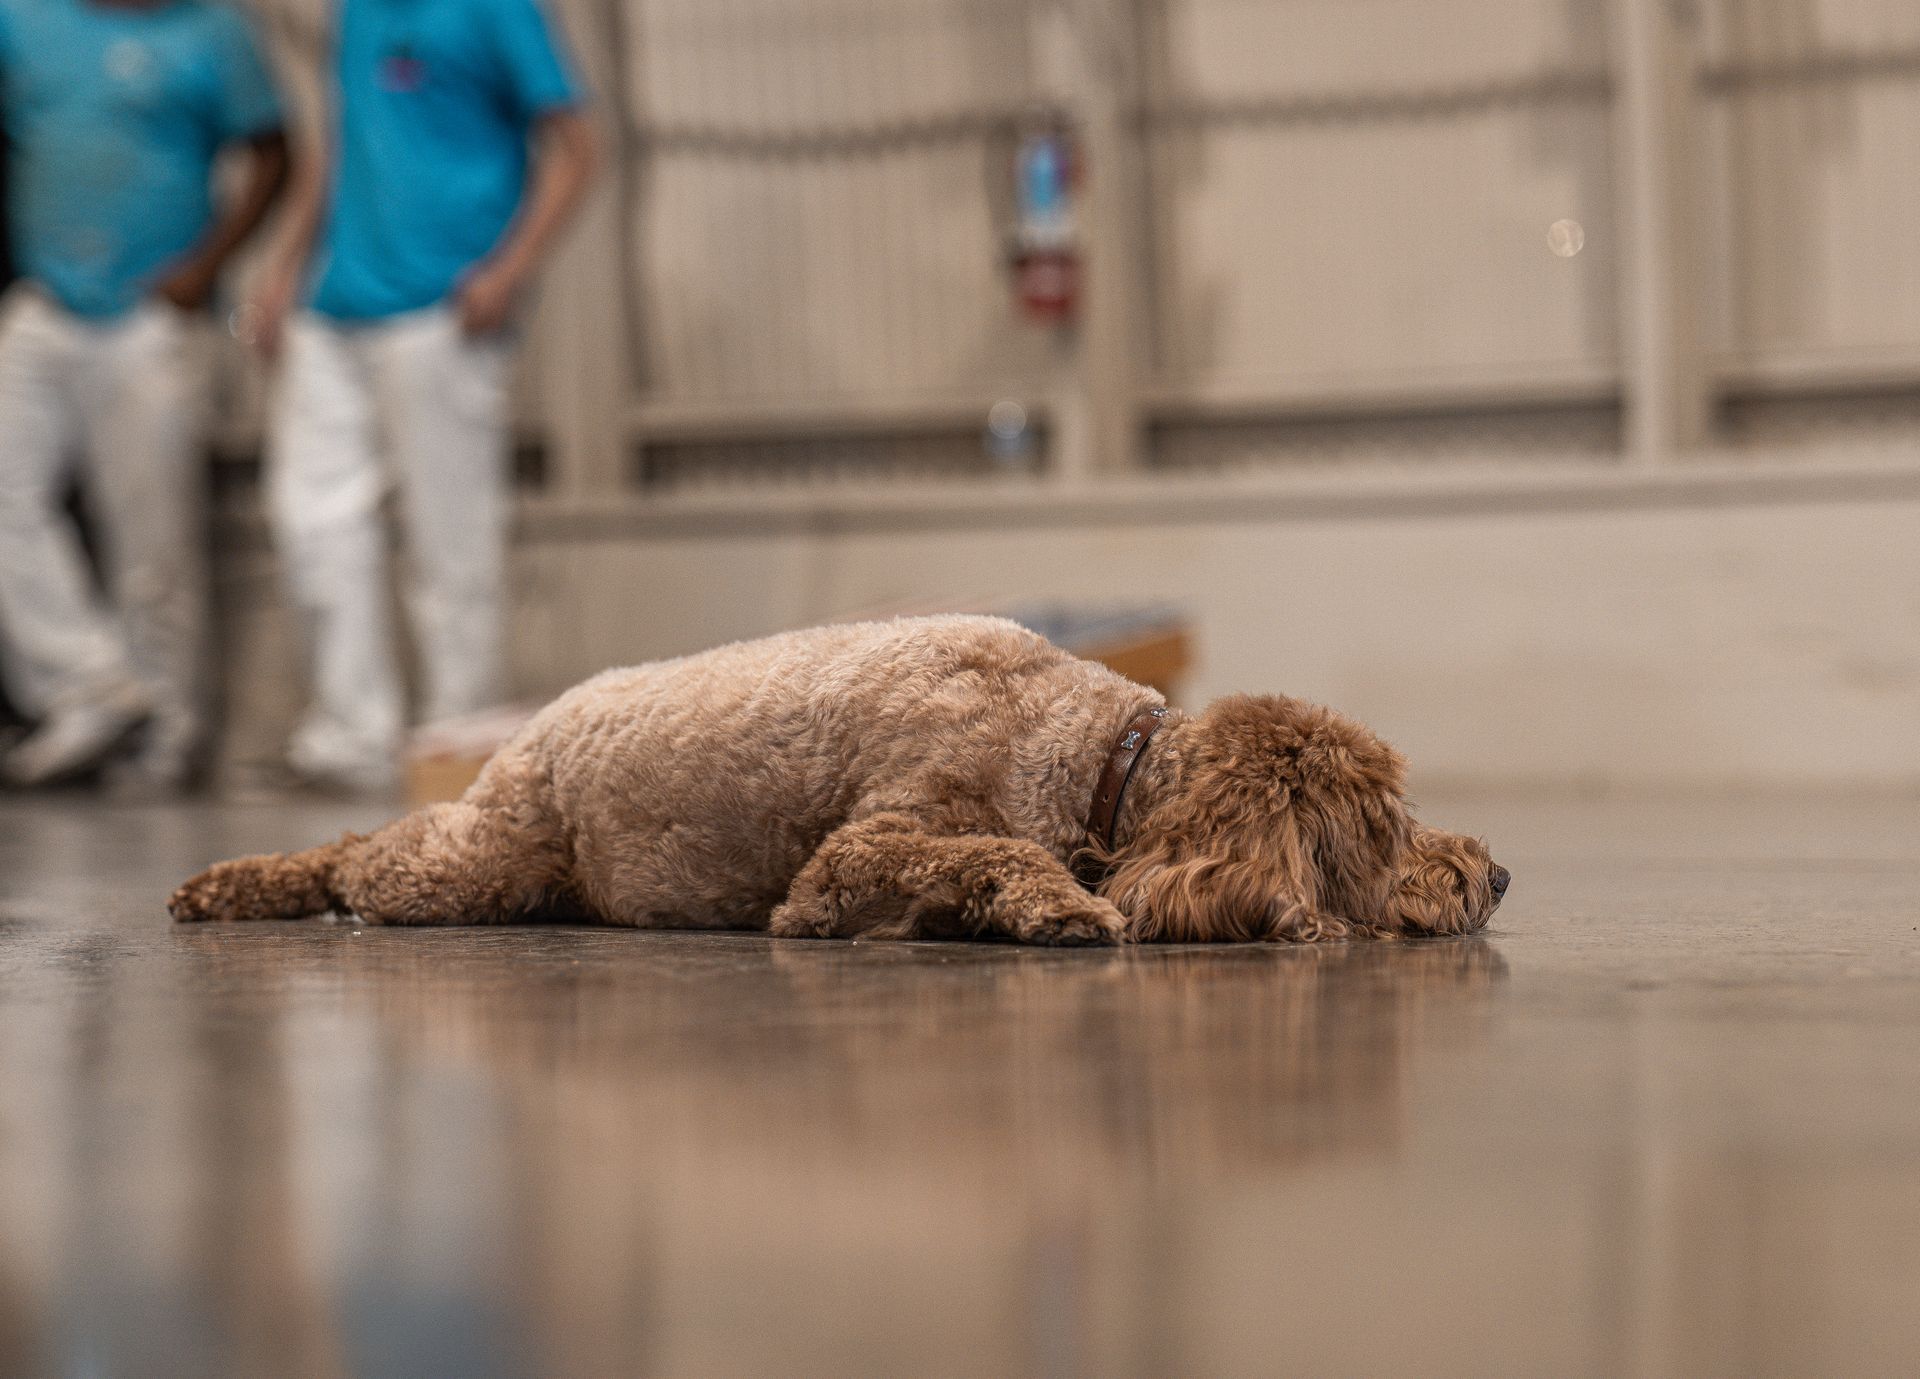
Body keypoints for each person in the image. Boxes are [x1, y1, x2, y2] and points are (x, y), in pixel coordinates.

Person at [247, 0, 597, 792]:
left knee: (451, 534)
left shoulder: (498, 10)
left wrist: (510, 270)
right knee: (312, 521)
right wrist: (284, 267)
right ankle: (349, 734)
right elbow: (337, 143)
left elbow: (578, 145)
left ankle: (457, 742)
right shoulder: (354, 14)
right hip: (334, 305)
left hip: (442, 308)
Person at [0, 0, 289, 789]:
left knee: (153, 527)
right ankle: (86, 683)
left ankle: (166, 732)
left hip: (151, 312)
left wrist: (205, 269)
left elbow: (276, 151)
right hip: (45, 300)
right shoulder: (22, 19)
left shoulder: (213, 30)